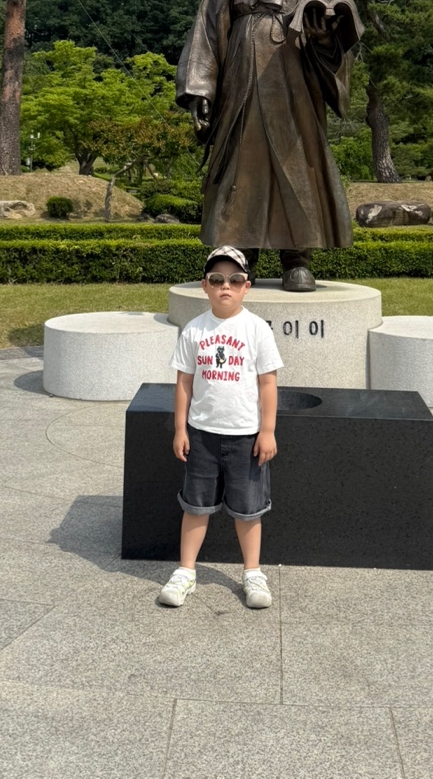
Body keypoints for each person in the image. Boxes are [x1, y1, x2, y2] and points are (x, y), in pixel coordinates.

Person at [176, 0, 362, 292]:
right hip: (241, 82)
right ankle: (240, 257)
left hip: (295, 83)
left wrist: (323, 34)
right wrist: (200, 89)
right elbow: (207, 32)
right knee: (241, 166)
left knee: (299, 164)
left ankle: (297, 259)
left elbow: (338, 29)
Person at [158, 246, 283, 609]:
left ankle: (252, 573)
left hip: (246, 436)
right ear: (205, 286)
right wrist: (180, 429)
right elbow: (184, 382)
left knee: (249, 510)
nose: (225, 286)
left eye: (235, 279)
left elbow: (268, 383)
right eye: (216, 279)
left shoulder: (257, 329)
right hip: (202, 434)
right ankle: (186, 571)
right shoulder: (195, 330)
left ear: (246, 287)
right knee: (195, 506)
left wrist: (267, 430)